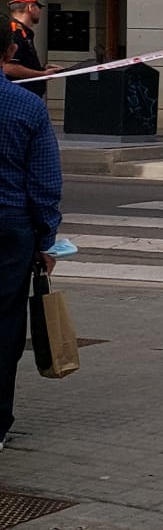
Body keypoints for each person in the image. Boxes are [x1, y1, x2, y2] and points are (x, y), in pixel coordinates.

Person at [0, 35, 61, 449]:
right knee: (5, 326)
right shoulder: (27, 106)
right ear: (9, 53)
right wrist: (46, 239)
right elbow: (44, 181)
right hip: (9, 227)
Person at [4, 0, 60, 100]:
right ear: (30, 8)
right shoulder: (15, 32)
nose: (40, 11)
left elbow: (20, 62)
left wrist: (41, 69)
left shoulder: (22, 31)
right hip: (19, 97)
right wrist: (42, 74)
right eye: (38, 7)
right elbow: (9, 67)